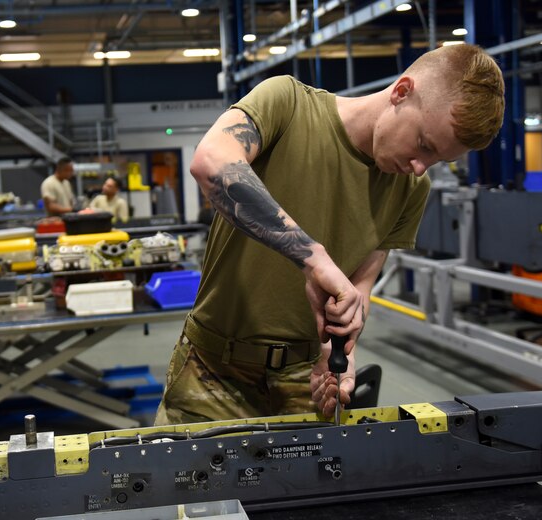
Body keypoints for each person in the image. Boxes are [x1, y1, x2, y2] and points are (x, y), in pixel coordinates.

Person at [154, 44, 505, 426]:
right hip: (210, 372)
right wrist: (313, 258)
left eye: (438, 160)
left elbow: (359, 288)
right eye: (424, 145)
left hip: (306, 381)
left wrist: (340, 351)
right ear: (402, 91)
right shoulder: (287, 104)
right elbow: (212, 162)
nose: (421, 168)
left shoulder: (410, 189)